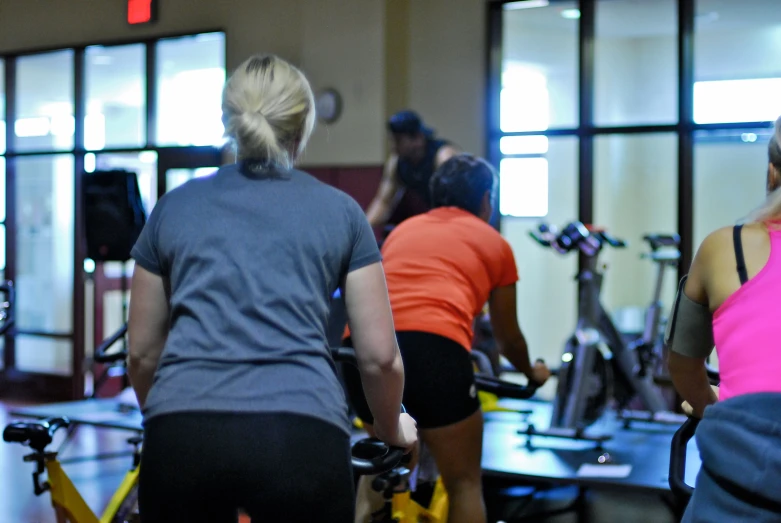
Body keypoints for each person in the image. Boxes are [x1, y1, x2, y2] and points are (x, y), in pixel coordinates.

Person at [126, 53, 417, 523]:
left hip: (182, 433)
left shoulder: (173, 208)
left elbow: (141, 354)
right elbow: (379, 358)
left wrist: (169, 414)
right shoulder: (342, 213)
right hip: (302, 433)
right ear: (302, 128)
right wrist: (392, 427)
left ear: (229, 122)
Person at [343, 153, 551, 523]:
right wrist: (531, 372)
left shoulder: (404, 229)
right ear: (487, 198)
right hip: (433, 351)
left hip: (362, 352)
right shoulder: (494, 243)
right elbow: (508, 338)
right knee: (465, 483)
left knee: (385, 467)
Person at [667, 116, 781, 522]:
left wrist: (706, 406)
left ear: (772, 172)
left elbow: (681, 362)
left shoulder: (725, 246)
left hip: (740, 475)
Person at [365, 110, 460, 230]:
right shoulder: (396, 163)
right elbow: (383, 202)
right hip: (440, 215)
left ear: (418, 139)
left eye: (398, 140)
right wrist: (361, 231)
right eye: (392, 140)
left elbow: (458, 202)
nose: (393, 146)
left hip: (471, 214)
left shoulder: (443, 157)